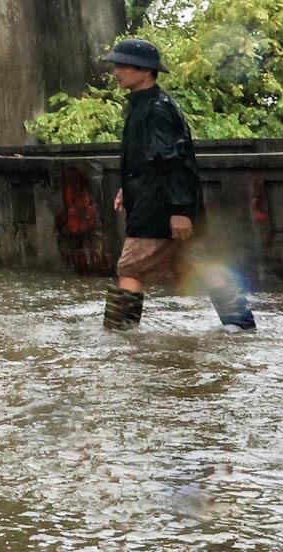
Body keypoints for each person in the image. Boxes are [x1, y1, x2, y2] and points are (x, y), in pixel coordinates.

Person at [102, 38, 255, 333]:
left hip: (159, 209)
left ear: (145, 71)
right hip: (162, 203)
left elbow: (175, 162)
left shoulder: (156, 109)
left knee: (130, 268)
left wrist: (179, 211)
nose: (116, 71)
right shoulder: (145, 104)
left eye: (123, 65)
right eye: (116, 65)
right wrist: (128, 188)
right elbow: (148, 160)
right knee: (200, 263)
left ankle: (119, 341)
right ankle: (242, 328)